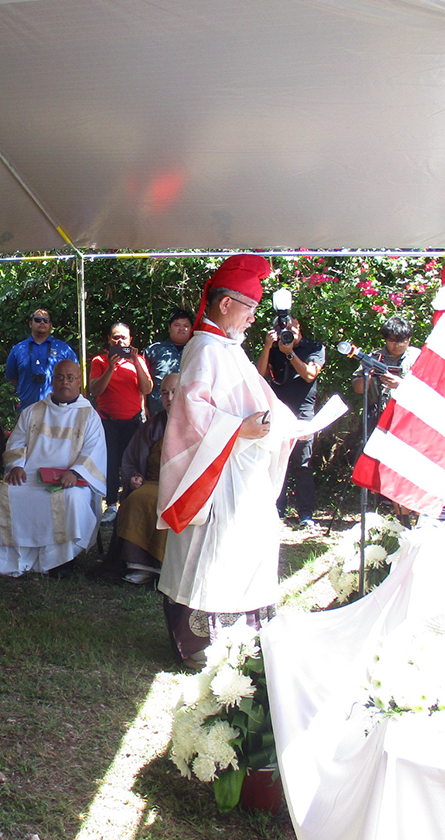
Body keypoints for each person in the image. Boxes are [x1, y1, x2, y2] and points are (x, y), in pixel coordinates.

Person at [157, 255, 295, 670]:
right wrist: (239, 430)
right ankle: (202, 643)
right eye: (249, 308)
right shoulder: (204, 347)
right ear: (225, 305)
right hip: (219, 473)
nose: (254, 317)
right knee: (216, 551)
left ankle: (246, 636)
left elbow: (259, 400)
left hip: (243, 469)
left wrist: (287, 425)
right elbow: (191, 412)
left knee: (247, 548)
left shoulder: (228, 348)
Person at [0, 359, 107, 578]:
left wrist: (76, 472)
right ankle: (17, 558)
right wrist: (16, 465)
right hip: (32, 474)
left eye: (71, 378)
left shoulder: (89, 415)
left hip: (70, 478)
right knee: (9, 492)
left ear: (79, 382)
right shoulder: (33, 411)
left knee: (71, 499)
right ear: (52, 380)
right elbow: (16, 441)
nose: (65, 382)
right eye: (60, 377)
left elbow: (94, 450)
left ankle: (61, 561)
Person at [104, 373, 180, 585]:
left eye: (174, 391)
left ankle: (169, 566)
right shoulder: (153, 425)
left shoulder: (198, 422)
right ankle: (140, 567)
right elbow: (132, 457)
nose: (169, 398)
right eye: (164, 393)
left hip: (185, 484)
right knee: (138, 499)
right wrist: (134, 476)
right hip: (154, 482)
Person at [256, 316, 324, 526]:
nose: (287, 332)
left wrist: (290, 353)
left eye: (291, 328)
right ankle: (277, 509)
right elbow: (259, 375)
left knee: (303, 461)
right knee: (276, 459)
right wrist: (268, 347)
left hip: (303, 411)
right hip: (278, 410)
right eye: (282, 329)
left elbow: (310, 375)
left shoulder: (314, 347)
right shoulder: (275, 347)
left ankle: (306, 513)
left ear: (298, 326)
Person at [88, 322, 152, 524]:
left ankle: (130, 504)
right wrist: (111, 367)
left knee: (132, 464)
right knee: (110, 463)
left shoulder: (138, 360)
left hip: (132, 422)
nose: (119, 341)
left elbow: (147, 388)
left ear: (130, 340)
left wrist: (135, 361)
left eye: (123, 338)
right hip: (108, 421)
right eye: (115, 337)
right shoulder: (99, 361)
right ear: (109, 340)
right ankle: (112, 505)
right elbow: (95, 390)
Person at [351, 314, 421, 429]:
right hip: (377, 416)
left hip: (408, 417)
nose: (397, 345)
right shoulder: (374, 357)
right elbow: (358, 389)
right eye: (392, 340)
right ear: (385, 339)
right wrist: (369, 374)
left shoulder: (418, 357)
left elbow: (430, 390)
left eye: (402, 341)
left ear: (409, 340)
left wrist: (400, 384)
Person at [4, 307, 78, 410]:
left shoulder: (63, 349)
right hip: (28, 409)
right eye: (38, 320)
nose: (42, 322)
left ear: (51, 325)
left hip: (58, 410)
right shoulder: (18, 349)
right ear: (30, 324)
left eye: (46, 320)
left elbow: (76, 376)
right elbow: (13, 378)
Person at [144, 309, 195, 415]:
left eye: (186, 325)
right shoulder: (154, 350)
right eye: (177, 325)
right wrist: (143, 406)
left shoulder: (198, 351)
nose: (181, 329)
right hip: (158, 412)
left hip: (190, 413)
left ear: (191, 329)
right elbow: (142, 381)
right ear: (169, 327)